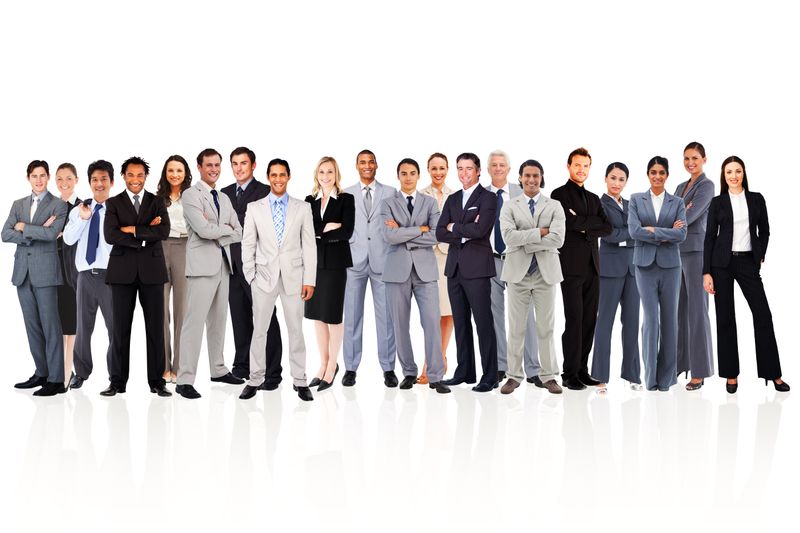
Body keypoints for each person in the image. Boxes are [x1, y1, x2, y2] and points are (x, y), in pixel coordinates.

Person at [702, 156, 790, 393]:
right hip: (721, 264)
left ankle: (774, 374)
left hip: (748, 262)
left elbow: (766, 230)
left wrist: (760, 254)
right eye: (729, 172)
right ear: (724, 175)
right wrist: (706, 272)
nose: (733, 176)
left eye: (737, 171)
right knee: (726, 318)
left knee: (763, 315)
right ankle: (731, 375)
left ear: (744, 173)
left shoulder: (756, 199)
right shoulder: (717, 202)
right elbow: (709, 238)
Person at [239, 159, 316, 402]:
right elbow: (248, 242)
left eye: (282, 175)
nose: (278, 179)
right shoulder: (254, 208)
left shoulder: (302, 208)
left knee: (296, 330)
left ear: (289, 176)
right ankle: (255, 378)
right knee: (259, 330)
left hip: (294, 277)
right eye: (274, 175)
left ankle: (300, 380)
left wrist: (310, 280)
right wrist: (250, 275)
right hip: (263, 277)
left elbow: (309, 246)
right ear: (268, 177)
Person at [175, 149, 243, 399]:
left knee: (218, 322)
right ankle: (184, 380)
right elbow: (203, 230)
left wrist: (219, 229)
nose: (214, 169)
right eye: (209, 165)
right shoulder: (191, 194)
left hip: (224, 266)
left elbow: (240, 230)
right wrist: (223, 229)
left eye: (217, 165)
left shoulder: (224, 198)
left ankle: (217, 369)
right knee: (193, 323)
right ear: (200, 166)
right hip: (201, 267)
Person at [102, 156, 171, 397]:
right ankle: (117, 382)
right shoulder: (113, 203)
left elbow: (163, 231)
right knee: (120, 329)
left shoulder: (157, 201)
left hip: (152, 272)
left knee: (155, 329)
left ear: (145, 177)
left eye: (140, 175)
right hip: (122, 274)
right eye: (130, 175)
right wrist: (145, 233)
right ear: (123, 176)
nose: (135, 180)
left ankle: (156, 382)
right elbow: (110, 235)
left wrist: (131, 230)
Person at [381, 158, 450, 393]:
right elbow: (389, 236)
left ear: (418, 175)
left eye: (412, 173)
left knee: (432, 322)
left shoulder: (430, 203)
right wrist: (418, 229)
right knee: (400, 324)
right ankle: (409, 372)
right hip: (396, 271)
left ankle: (435, 375)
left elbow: (435, 235)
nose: (408, 177)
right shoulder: (387, 203)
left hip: (425, 270)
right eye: (403, 173)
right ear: (398, 176)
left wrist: (402, 231)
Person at [499, 160, 565, 395]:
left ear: (542, 177)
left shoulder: (555, 205)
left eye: (536, 175)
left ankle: (548, 376)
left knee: (546, 328)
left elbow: (558, 240)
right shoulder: (509, 206)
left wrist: (524, 238)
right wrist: (540, 232)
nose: (531, 180)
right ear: (520, 178)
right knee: (516, 328)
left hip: (545, 275)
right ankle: (514, 376)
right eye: (527, 175)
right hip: (518, 275)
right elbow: (508, 237)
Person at [2, 160, 68, 396]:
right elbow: (5, 234)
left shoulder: (58, 205)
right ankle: (41, 372)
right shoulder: (18, 204)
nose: (38, 180)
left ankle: (56, 379)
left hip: (46, 273)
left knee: (51, 326)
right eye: (34, 176)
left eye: (42, 176)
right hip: (23, 273)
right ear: (28, 178)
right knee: (33, 327)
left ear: (48, 177)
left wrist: (24, 227)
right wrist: (33, 230)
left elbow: (52, 235)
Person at [435, 152, 499, 392]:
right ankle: (465, 371)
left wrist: (455, 226)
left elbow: (481, 230)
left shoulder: (488, 198)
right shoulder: (452, 199)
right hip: (455, 269)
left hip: (478, 269)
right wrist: (464, 227)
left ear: (478, 170)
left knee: (483, 323)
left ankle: (490, 376)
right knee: (461, 323)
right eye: (460, 168)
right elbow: (440, 232)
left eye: (469, 168)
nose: (464, 173)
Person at [550, 147, 612, 390]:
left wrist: (583, 225)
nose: (581, 169)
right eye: (577, 165)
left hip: (593, 268)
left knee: (589, 321)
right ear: (568, 166)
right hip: (571, 267)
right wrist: (588, 224)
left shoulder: (595, 198)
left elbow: (607, 227)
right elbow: (567, 222)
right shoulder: (559, 194)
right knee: (574, 320)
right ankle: (569, 373)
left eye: (586, 166)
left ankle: (583, 370)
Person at [221, 147, 283, 385]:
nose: (239, 168)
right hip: (231, 266)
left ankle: (272, 371)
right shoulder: (224, 193)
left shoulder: (266, 192)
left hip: (259, 266)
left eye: (243, 163)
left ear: (253, 165)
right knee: (239, 317)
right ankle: (242, 365)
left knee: (265, 317)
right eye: (235, 163)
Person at [628, 156, 687, 391]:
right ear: (648, 175)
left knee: (670, 321)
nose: (657, 176)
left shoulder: (678, 202)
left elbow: (682, 235)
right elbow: (634, 231)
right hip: (644, 266)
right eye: (653, 172)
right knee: (651, 321)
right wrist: (666, 232)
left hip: (671, 266)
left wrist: (652, 230)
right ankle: (650, 378)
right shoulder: (635, 200)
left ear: (667, 175)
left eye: (661, 172)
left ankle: (667, 379)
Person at [342, 150, 397, 387]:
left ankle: (388, 368)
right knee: (352, 315)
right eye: (362, 162)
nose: (367, 165)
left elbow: (397, 223)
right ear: (356, 165)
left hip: (383, 260)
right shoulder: (346, 193)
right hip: (354, 260)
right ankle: (351, 368)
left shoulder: (390, 192)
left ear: (377, 165)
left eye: (370, 161)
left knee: (386, 316)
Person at [485, 150, 540, 384]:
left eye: (502, 165)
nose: (498, 168)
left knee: (526, 315)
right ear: (488, 169)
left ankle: (533, 368)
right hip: (490, 260)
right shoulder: (482, 195)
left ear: (509, 169)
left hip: (518, 259)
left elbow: (536, 224)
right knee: (495, 314)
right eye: (494, 165)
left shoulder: (522, 193)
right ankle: (501, 365)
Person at [63, 160, 116, 390]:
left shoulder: (118, 210)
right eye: (95, 179)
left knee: (115, 328)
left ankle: (116, 375)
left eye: (104, 179)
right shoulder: (79, 210)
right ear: (89, 182)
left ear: (111, 182)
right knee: (83, 328)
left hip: (111, 277)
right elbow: (68, 239)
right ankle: (81, 372)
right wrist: (84, 219)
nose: (99, 183)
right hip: (84, 276)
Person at [591, 162, 642, 392]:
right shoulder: (599, 205)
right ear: (605, 178)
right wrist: (630, 235)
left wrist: (629, 235)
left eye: (621, 179)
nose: (617, 183)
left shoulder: (633, 205)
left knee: (632, 323)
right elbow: (608, 233)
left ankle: (632, 375)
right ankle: (599, 376)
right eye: (613, 178)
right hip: (609, 271)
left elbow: (639, 232)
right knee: (604, 323)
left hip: (633, 270)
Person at [304, 156, 354, 392]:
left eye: (330, 172)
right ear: (317, 174)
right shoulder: (308, 201)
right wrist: (327, 227)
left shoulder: (346, 199)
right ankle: (323, 364)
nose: (326, 176)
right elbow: (305, 232)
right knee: (316, 315)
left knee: (332, 316)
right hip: (313, 265)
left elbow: (347, 232)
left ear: (336, 175)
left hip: (335, 265)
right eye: (322, 172)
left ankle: (333, 364)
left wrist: (320, 232)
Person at [674, 142, 715, 390]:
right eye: (687, 158)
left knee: (697, 312)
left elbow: (689, 216)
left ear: (704, 159)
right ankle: (680, 364)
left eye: (695, 158)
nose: (691, 162)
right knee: (680, 310)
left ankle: (699, 371)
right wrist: (678, 214)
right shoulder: (680, 186)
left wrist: (680, 213)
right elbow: (673, 214)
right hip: (677, 252)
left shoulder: (707, 185)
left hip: (697, 253)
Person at [155, 155, 192, 383]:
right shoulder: (157, 198)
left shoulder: (193, 197)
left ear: (185, 173)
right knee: (160, 310)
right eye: (171, 170)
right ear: (165, 173)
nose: (175, 174)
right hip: (160, 248)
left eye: (179, 170)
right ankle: (163, 366)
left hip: (185, 248)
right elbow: (150, 224)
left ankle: (178, 367)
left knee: (182, 310)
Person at [419, 153, 454, 384]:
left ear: (448, 169)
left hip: (450, 258)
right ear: (428, 170)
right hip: (427, 259)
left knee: (448, 311)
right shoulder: (421, 195)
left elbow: (460, 227)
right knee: (431, 315)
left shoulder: (456, 195)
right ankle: (431, 361)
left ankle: (439, 357)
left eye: (442, 168)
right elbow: (417, 226)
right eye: (434, 168)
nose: (438, 172)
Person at [54, 162, 81, 387]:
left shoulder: (82, 206)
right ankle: (59, 370)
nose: (64, 183)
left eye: (69, 178)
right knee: (55, 321)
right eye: (60, 179)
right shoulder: (50, 206)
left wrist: (64, 233)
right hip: (50, 270)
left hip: (72, 271)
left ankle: (66, 369)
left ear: (76, 180)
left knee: (70, 321)